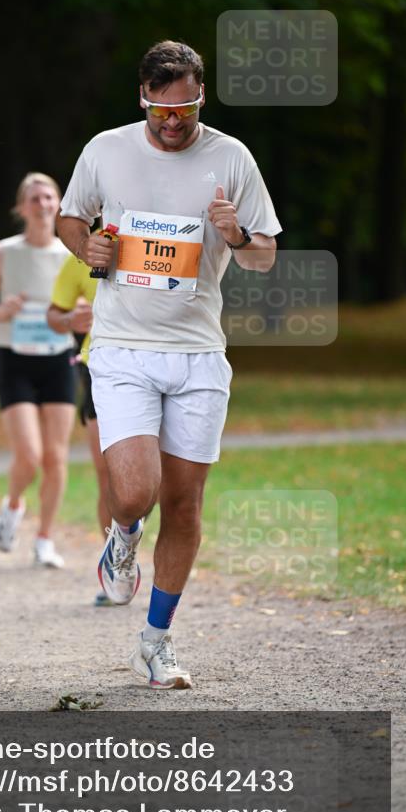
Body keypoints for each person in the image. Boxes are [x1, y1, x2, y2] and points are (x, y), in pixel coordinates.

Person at [57, 40, 281, 688]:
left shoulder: (231, 158)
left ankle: (155, 642)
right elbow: (74, 221)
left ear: (199, 96)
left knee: (183, 506)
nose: (173, 120)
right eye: (161, 109)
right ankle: (121, 537)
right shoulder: (105, 149)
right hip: (123, 347)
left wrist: (236, 233)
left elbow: (262, 256)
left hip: (198, 355)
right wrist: (90, 249)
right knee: (135, 490)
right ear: (142, 99)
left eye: (184, 107)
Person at [0, 173, 76, 569]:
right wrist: (1, 311)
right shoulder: (1, 252)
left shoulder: (71, 255)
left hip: (57, 360)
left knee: (55, 457)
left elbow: (87, 309)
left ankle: (45, 540)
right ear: (21, 208)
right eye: (34, 198)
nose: (42, 204)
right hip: (15, 358)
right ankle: (12, 506)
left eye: (48, 197)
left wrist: (77, 318)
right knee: (29, 455)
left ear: (59, 203)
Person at [46, 252, 115, 605]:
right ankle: (116, 565)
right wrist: (72, 318)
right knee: (109, 475)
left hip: (158, 361)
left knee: (155, 480)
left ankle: (128, 535)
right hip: (98, 365)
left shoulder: (162, 238)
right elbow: (54, 315)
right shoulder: (85, 254)